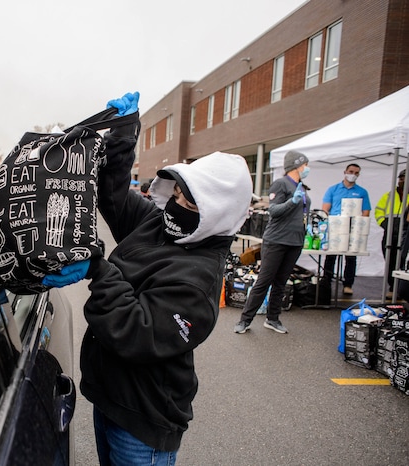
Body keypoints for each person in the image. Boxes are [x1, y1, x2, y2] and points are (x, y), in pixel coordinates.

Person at [57, 92, 252, 464]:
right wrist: (123, 135)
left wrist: (98, 270)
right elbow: (114, 196)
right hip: (110, 399)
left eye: (191, 203)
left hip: (143, 423)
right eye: (177, 194)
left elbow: (136, 330)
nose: (177, 206)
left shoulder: (198, 281)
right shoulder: (159, 225)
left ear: (218, 213)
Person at [235, 150, 310, 335]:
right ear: (296, 166)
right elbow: (274, 211)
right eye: (305, 164)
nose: (307, 168)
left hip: (295, 241)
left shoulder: (301, 186)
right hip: (277, 240)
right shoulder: (281, 184)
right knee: (264, 281)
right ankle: (245, 320)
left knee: (281, 282)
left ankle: (273, 318)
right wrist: (292, 202)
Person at [321, 163, 371, 295]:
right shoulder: (333, 189)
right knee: (331, 256)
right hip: (335, 226)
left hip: (353, 227)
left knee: (351, 257)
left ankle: (348, 284)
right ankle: (326, 282)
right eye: (351, 171)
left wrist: (358, 225)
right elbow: (325, 208)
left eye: (356, 173)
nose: (353, 175)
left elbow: (366, 211)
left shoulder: (362, 192)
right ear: (345, 172)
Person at [374, 169, 408, 296]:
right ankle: (392, 287)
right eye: (401, 178)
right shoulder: (388, 196)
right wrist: (384, 224)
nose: (402, 181)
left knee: (402, 261)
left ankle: (399, 288)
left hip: (405, 233)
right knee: (389, 260)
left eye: (405, 178)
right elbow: (378, 211)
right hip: (390, 233)